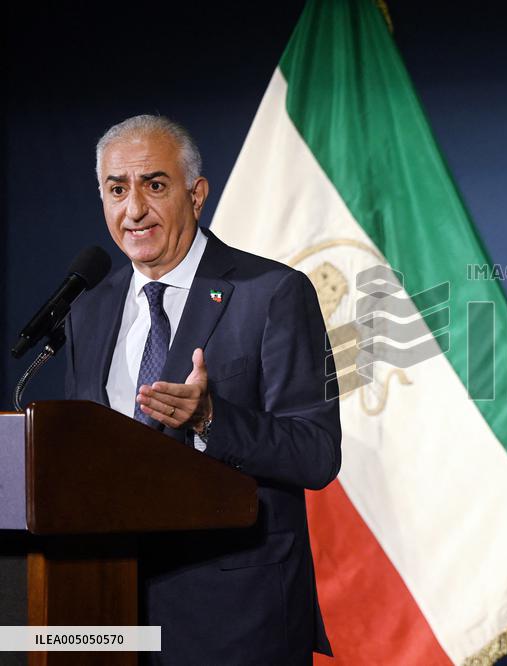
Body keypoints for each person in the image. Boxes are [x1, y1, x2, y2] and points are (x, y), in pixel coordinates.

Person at [63, 114, 340, 664]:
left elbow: (316, 453)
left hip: (235, 616)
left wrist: (212, 419)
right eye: (116, 189)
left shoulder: (271, 293)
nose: (133, 209)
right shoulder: (88, 309)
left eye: (154, 185)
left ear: (196, 194)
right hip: (110, 609)